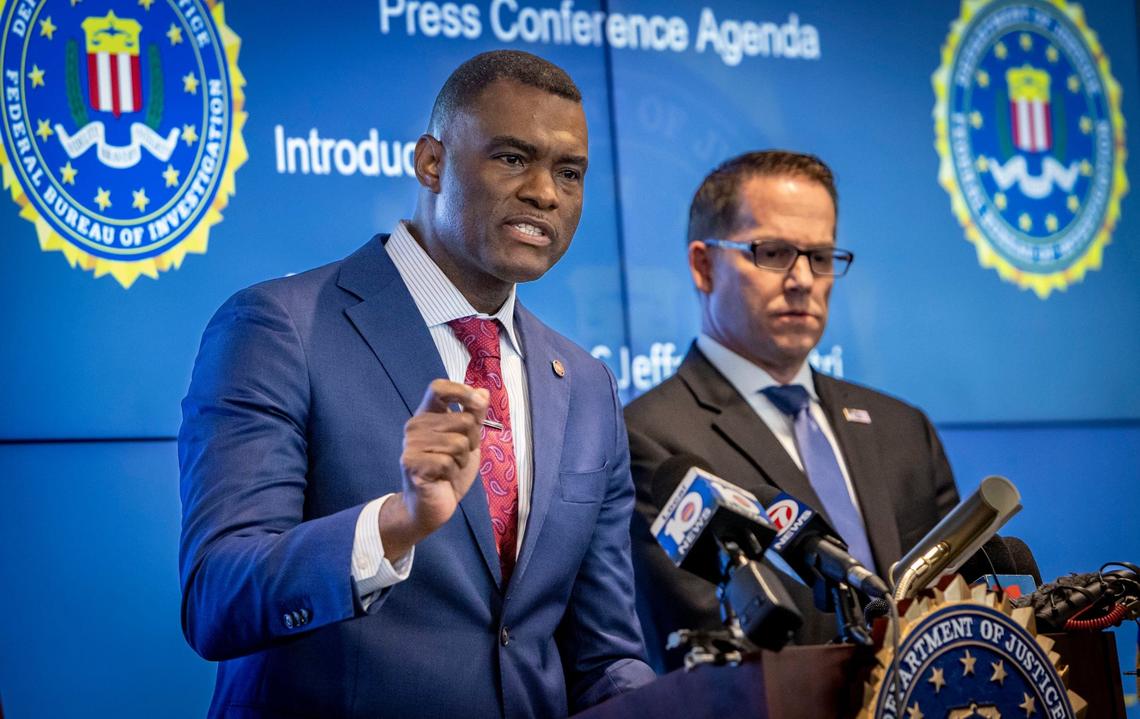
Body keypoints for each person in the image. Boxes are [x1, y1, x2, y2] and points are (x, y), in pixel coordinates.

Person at [179, 50, 655, 718]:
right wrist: (397, 522)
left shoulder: (587, 385)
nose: (546, 192)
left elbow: (603, 657)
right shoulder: (280, 327)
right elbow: (216, 598)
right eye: (513, 158)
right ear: (431, 162)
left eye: (568, 172)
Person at [624, 150, 960, 671]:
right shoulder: (649, 440)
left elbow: (959, 608)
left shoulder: (903, 430)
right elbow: (709, 642)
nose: (803, 278)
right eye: (774, 252)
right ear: (703, 266)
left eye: (820, 257)